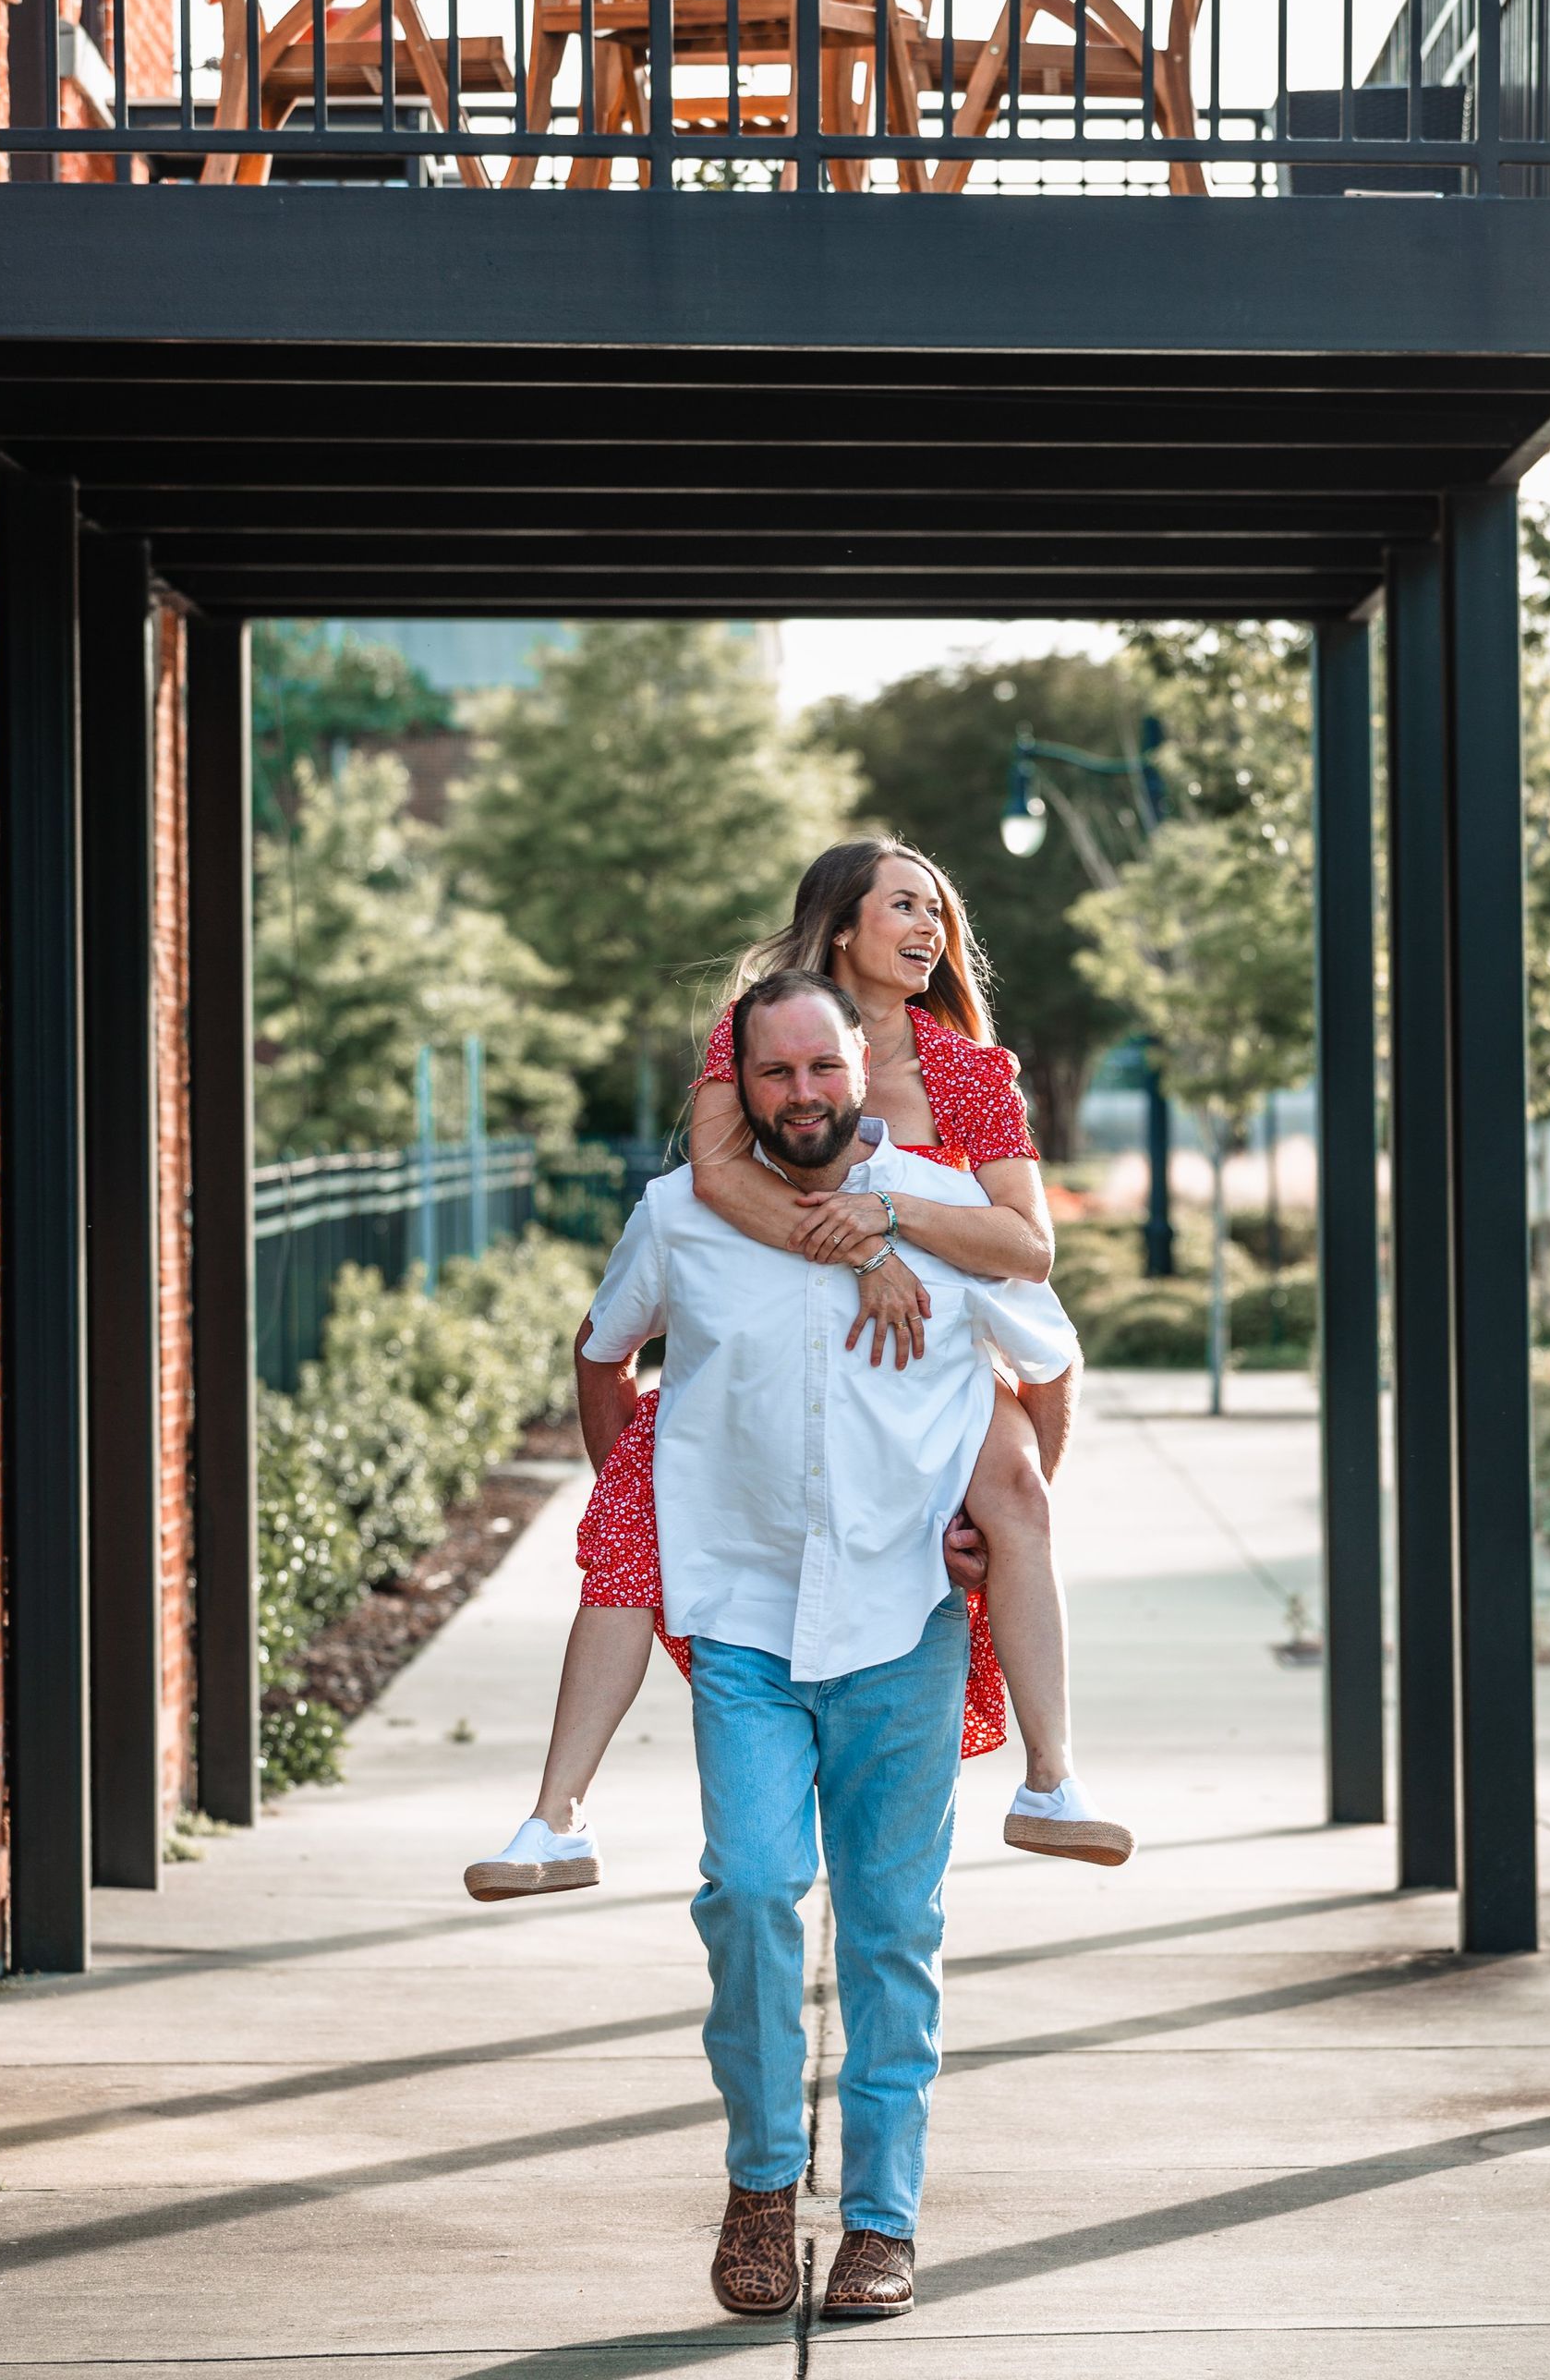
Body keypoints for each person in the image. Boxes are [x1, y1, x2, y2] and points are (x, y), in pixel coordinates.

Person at [564, 971, 1089, 2318]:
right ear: (735, 1085)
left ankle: (879, 2220)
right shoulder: (682, 1213)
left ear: (862, 1068)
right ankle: (758, 2184)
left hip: (901, 1622)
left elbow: (1046, 1359)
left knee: (890, 1930)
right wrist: (641, 1503)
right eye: (775, 1074)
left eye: (824, 1068)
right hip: (741, 1620)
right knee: (745, 1890)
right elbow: (602, 1350)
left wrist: (1005, 1518)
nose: (803, 1094)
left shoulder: (950, 1209)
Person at [466, 837, 1130, 1900]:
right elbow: (721, 1186)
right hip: (795, 1327)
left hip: (938, 1341)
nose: (932, 931)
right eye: (906, 906)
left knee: (1015, 1488)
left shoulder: (965, 1069)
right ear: (838, 927)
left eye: (940, 914)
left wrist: (892, 1214)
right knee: (639, 1505)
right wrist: (861, 1251)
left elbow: (1027, 1247)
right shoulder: (761, 1041)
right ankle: (556, 1818)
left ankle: (1050, 1780)